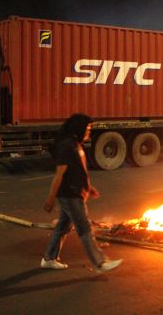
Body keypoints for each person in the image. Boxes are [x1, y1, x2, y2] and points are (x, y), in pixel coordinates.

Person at [41, 113, 122, 273]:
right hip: (70, 195)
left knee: (62, 227)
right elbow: (59, 174)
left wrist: (89, 187)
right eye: (87, 128)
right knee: (85, 229)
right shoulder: (66, 146)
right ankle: (100, 263)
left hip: (77, 193)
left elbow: (79, 171)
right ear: (79, 128)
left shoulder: (76, 145)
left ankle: (49, 259)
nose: (89, 131)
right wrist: (50, 199)